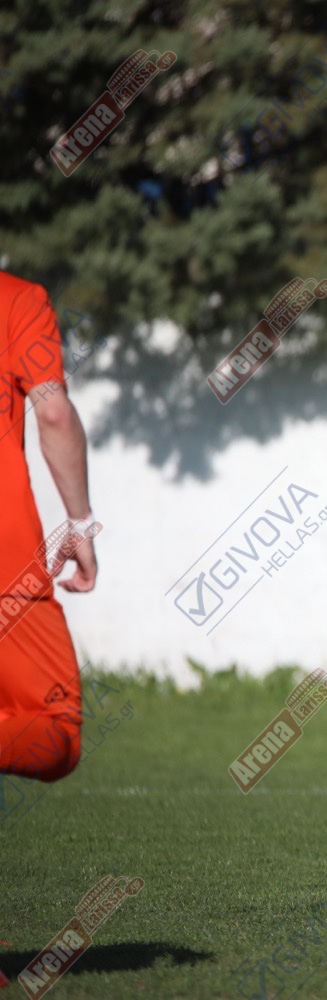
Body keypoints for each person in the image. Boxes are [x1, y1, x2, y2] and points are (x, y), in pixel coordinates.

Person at [0, 271, 98, 784]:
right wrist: (80, 522)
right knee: (53, 730)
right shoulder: (18, 299)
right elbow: (54, 414)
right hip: (6, 559)